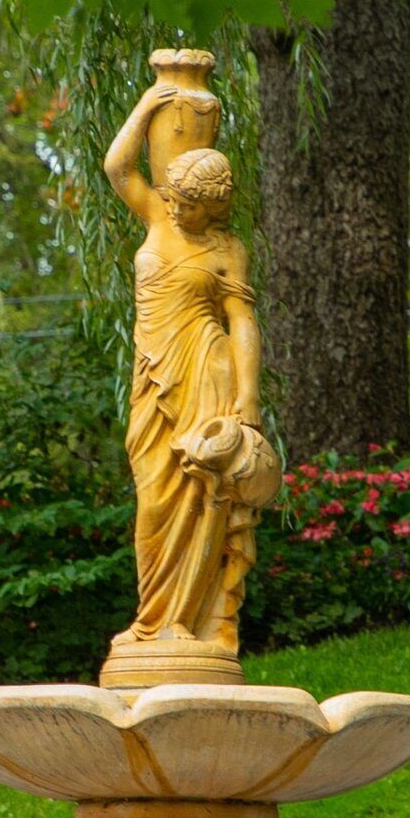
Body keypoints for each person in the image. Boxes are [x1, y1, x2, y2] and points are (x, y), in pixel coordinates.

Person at [98, 59, 279, 686]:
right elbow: (118, 167)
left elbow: (242, 324)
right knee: (153, 499)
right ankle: (152, 619)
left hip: (208, 372)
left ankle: (189, 623)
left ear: (214, 206)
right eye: (172, 197)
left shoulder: (229, 249)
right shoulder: (156, 216)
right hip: (152, 378)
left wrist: (248, 401)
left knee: (203, 495)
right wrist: (150, 103)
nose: (176, 208)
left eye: (190, 204)